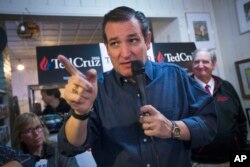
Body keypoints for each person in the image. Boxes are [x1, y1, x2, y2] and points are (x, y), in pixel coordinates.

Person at [57, 6, 217, 167]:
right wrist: (80, 113)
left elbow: (209, 124)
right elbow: (70, 147)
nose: (125, 53)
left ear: (147, 41)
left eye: (132, 40)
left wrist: (173, 128)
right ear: (107, 48)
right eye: (115, 43)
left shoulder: (175, 76)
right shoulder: (96, 89)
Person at [191, 49, 247, 167]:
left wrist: (242, 155)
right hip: (199, 161)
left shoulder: (227, 87)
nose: (200, 65)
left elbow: (241, 121)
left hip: (233, 157)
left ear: (213, 65)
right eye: (197, 62)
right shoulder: (184, 89)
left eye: (205, 61)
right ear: (192, 65)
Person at [11, 112, 79, 167]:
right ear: (19, 137)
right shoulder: (15, 159)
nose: (36, 133)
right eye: (29, 130)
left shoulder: (61, 149)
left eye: (38, 127)